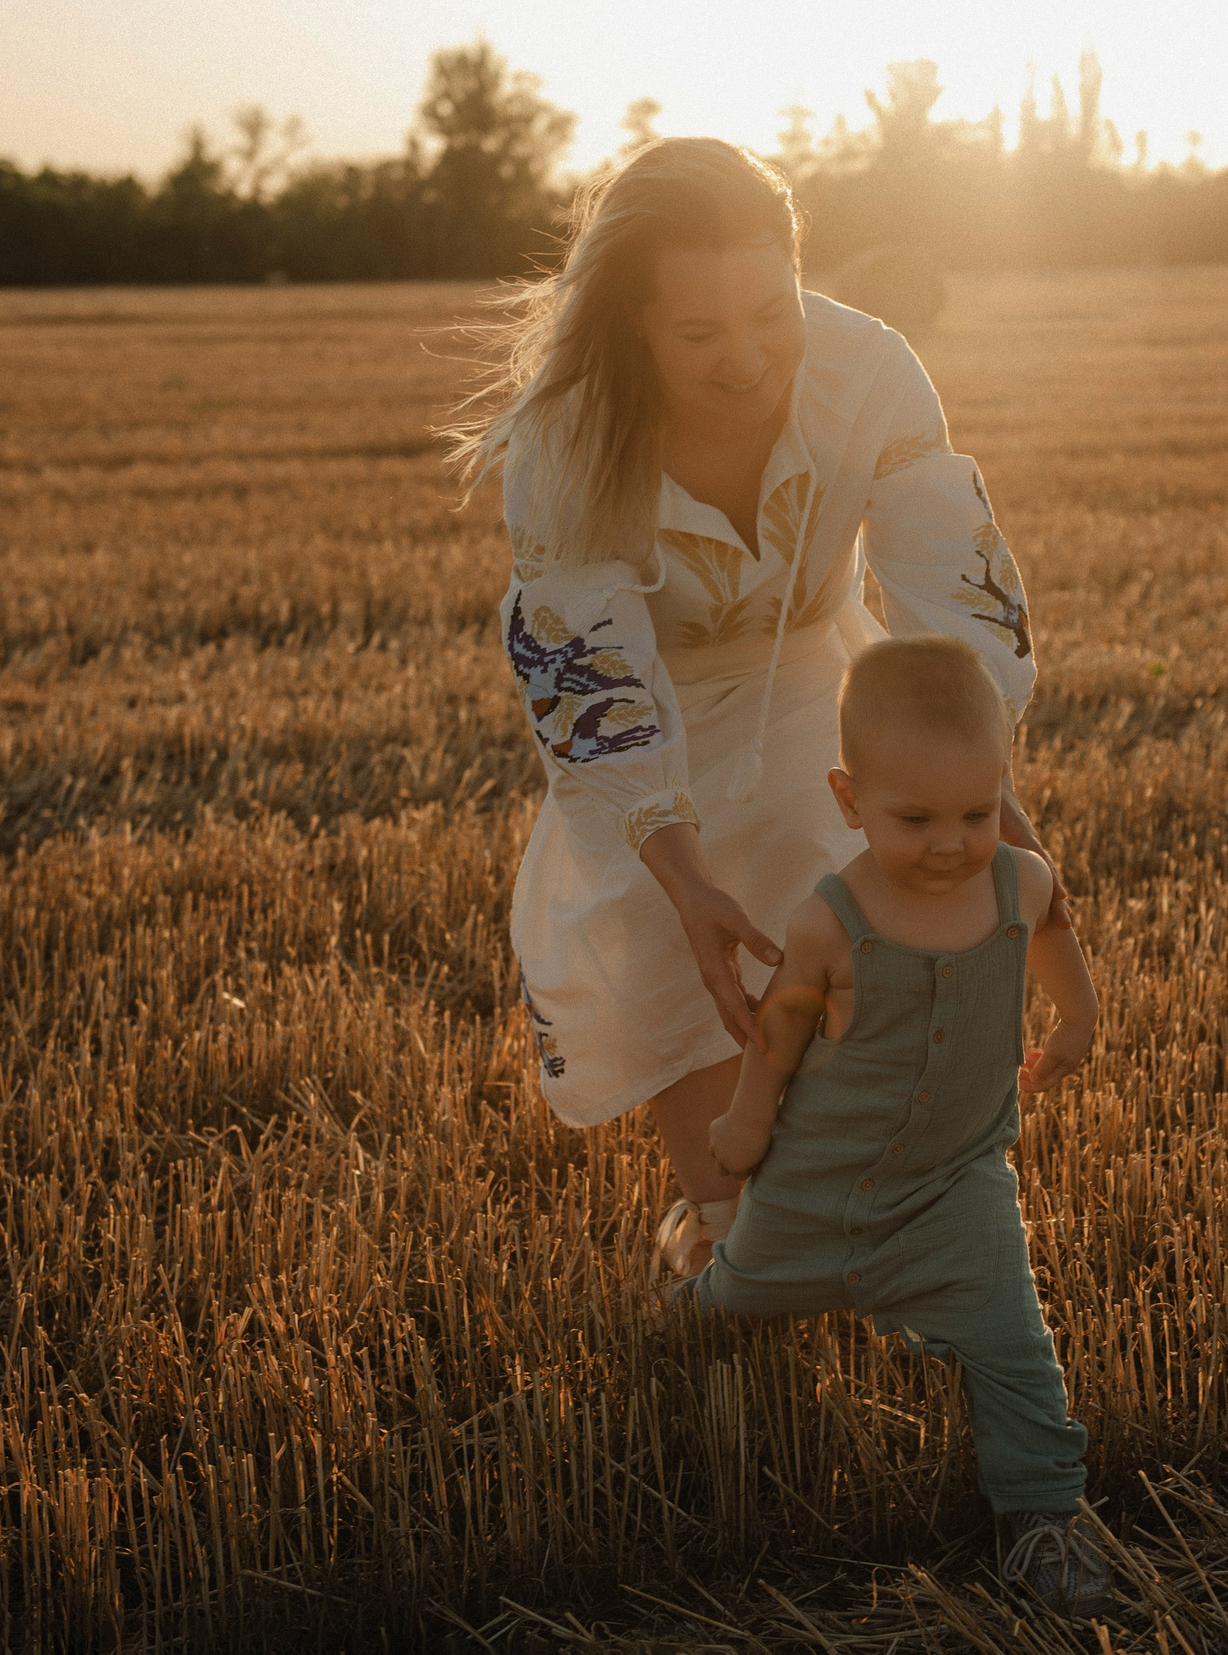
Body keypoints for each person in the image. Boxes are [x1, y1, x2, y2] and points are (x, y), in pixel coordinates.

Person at [444, 137, 1068, 1279]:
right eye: (697, 334)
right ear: (631, 321)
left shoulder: (869, 370)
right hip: (655, 716)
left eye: (770, 313)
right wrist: (679, 878)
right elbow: (596, 678)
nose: (744, 359)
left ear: (799, 272)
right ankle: (725, 1225)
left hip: (815, 685)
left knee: (851, 934)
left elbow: (951, 591)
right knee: (673, 961)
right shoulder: (565, 438)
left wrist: (985, 798)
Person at [688, 635, 1108, 1618]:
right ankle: (686, 1283)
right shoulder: (829, 919)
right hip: (817, 1178)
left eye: (974, 810)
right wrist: (746, 1127)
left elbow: (1053, 929)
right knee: (738, 1298)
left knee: (1013, 1342)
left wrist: (1077, 1016)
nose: (953, 841)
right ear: (848, 800)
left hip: (961, 1178)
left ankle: (1044, 1512)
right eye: (914, 818)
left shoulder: (1020, 879)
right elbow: (779, 1030)